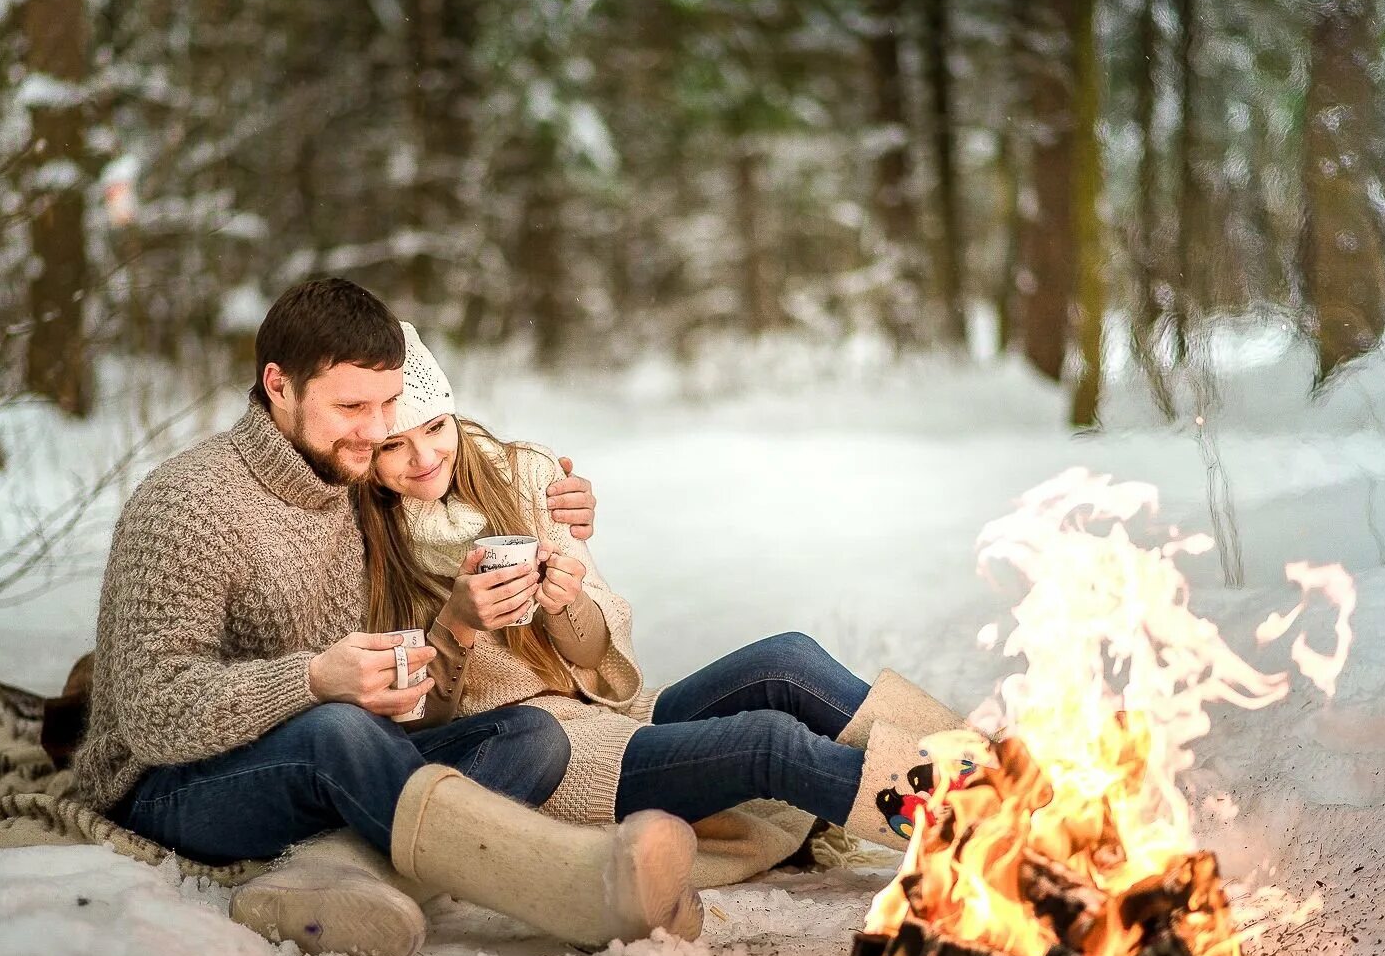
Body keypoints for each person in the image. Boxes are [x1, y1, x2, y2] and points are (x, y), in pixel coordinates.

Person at [71, 279, 703, 956]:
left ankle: (335, 876)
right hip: (173, 786)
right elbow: (152, 713)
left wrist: (555, 499)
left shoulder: (351, 484)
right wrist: (313, 680)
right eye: (351, 407)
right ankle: (580, 887)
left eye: (386, 406)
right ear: (279, 386)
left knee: (529, 736)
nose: (376, 433)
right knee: (334, 728)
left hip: (327, 758)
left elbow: (453, 477)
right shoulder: (187, 504)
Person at [360, 324, 977, 867]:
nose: (424, 456)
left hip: (610, 718)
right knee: (768, 742)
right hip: (553, 759)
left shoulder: (521, 474)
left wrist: (565, 602)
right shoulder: (363, 543)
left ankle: (994, 781)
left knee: (788, 659)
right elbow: (421, 724)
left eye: (436, 426)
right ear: (364, 448)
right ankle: (980, 835)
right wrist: (458, 625)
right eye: (393, 444)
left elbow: (596, 656)